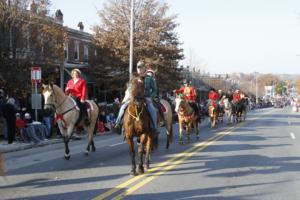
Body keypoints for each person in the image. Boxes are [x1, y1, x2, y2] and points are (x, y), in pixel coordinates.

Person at [113, 61, 146, 131]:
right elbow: (129, 91)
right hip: (133, 99)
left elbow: (149, 89)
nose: (139, 69)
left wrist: (146, 96)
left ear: (144, 68)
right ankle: (118, 123)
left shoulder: (147, 77)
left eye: (141, 67)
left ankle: (153, 126)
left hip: (144, 98)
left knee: (151, 108)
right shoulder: (133, 79)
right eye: (138, 68)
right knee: (123, 107)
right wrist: (124, 100)